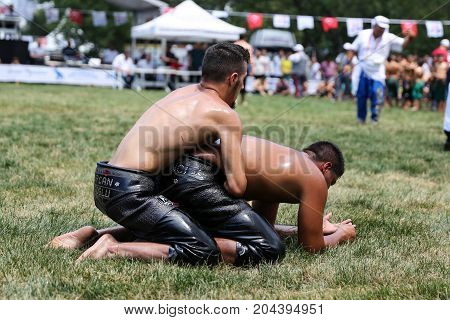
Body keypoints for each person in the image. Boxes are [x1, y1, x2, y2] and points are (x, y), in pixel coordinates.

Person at [57, 43, 288, 267]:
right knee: (200, 248)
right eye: (244, 79)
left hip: (107, 181)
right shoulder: (223, 113)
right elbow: (237, 187)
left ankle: (89, 236)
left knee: (186, 223)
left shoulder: (181, 93)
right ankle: (111, 248)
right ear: (233, 78)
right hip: (133, 191)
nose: (243, 88)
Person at [51, 137, 356, 262]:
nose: (326, 188)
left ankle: (94, 235)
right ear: (326, 167)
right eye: (332, 181)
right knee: (266, 251)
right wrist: (341, 233)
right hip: (197, 174)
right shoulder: (315, 178)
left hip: (183, 167)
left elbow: (259, 225)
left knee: (199, 228)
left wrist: (313, 226)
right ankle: (115, 248)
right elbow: (311, 247)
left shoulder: (278, 163)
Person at [351, 16, 412, 124]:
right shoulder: (363, 34)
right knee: (361, 95)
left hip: (378, 71)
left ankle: (374, 119)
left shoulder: (388, 37)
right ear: (374, 25)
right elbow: (353, 49)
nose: (381, 30)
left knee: (377, 94)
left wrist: (409, 37)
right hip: (363, 69)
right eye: (379, 27)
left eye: (383, 28)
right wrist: (354, 62)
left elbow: (403, 45)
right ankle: (360, 119)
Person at [235, 34, 254, 106]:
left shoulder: (234, 44)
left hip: (235, 65)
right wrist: (252, 68)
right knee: (243, 84)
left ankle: (234, 100)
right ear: (245, 37)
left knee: (234, 83)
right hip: (244, 65)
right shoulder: (248, 46)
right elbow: (250, 58)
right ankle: (243, 101)